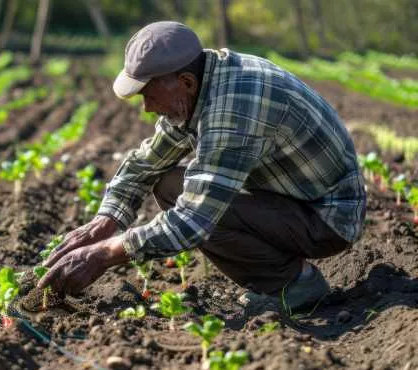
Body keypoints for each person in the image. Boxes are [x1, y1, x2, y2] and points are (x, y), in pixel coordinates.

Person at [37, 21, 366, 314]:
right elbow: (144, 164)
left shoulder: (233, 109)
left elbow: (194, 221)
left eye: (148, 94)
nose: (148, 107)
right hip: (286, 199)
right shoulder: (199, 86)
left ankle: (296, 286)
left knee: (203, 209)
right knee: (167, 183)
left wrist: (105, 253)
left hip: (327, 216)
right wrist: (103, 223)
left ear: (185, 82)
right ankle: (287, 277)